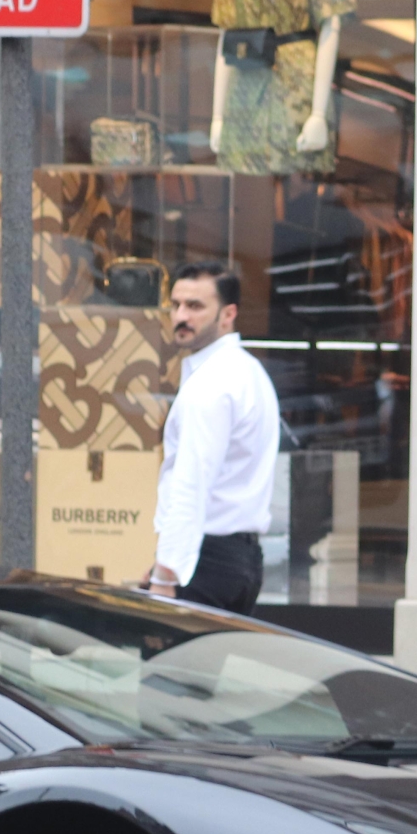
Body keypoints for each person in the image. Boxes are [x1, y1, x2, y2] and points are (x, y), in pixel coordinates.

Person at [143, 262, 278, 614]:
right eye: (176, 305)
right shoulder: (249, 372)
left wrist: (165, 576)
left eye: (195, 306)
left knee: (169, 670)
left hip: (209, 560)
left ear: (228, 314)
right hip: (239, 560)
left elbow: (192, 482)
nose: (181, 316)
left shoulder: (213, 383)